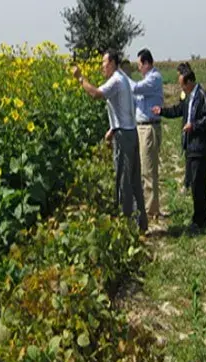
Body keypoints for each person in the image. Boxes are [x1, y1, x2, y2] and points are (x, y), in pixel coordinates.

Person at [72, 49, 148, 232]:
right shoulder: (123, 78)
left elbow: (96, 94)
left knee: (124, 181)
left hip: (124, 137)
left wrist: (80, 78)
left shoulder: (115, 80)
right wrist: (113, 128)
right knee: (135, 179)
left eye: (103, 63)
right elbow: (124, 110)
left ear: (113, 63)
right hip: (129, 132)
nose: (101, 67)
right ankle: (141, 223)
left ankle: (128, 225)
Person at [152, 63, 206, 231]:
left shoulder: (202, 96)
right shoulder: (188, 97)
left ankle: (200, 220)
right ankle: (200, 215)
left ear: (190, 82)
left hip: (199, 148)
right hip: (190, 147)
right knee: (193, 183)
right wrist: (161, 111)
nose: (181, 88)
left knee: (198, 184)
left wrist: (193, 125)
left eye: (182, 84)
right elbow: (178, 110)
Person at [128, 49, 164, 219]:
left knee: (148, 171)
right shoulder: (147, 80)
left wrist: (121, 76)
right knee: (145, 169)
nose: (139, 68)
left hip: (149, 128)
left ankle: (151, 211)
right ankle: (151, 207)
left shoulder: (154, 78)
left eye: (140, 65)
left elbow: (135, 88)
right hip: (143, 127)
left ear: (147, 63)